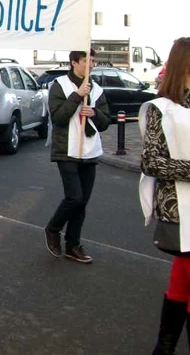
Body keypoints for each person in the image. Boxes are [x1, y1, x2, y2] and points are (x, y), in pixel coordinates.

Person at [139, 38, 190, 354]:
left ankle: (164, 348)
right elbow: (151, 161)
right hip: (179, 211)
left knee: (180, 284)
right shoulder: (161, 109)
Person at [44, 49, 110, 263]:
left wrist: (95, 113)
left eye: (93, 60)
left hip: (89, 150)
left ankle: (73, 245)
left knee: (82, 203)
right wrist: (77, 95)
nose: (91, 64)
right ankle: (53, 228)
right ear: (74, 62)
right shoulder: (60, 85)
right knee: (74, 197)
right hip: (67, 150)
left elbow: (105, 122)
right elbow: (58, 117)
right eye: (86, 60)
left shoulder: (97, 89)